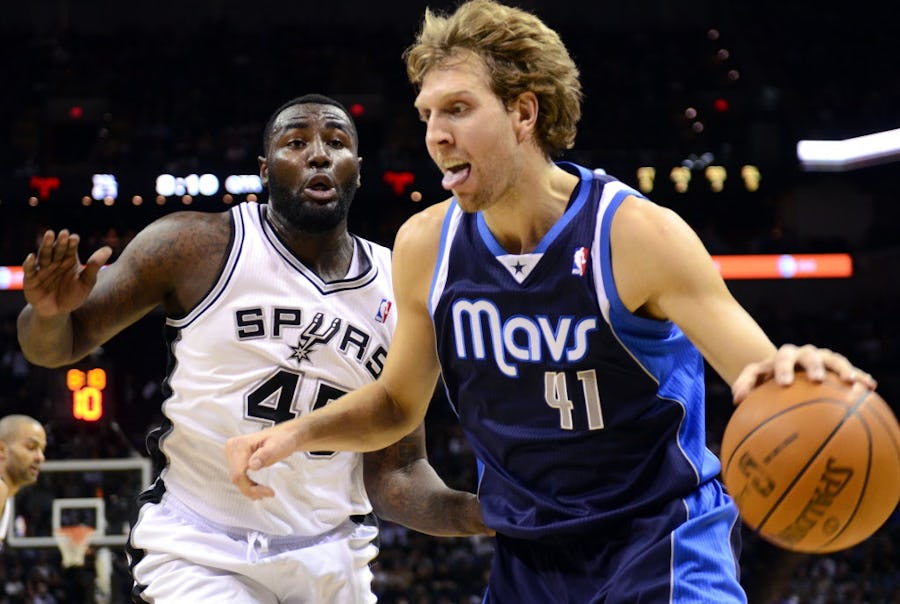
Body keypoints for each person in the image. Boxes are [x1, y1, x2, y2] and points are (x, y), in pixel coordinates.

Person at [224, 3, 882, 603]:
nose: (436, 135)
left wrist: (796, 369)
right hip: (530, 560)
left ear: (524, 112)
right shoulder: (425, 246)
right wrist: (294, 434)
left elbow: (760, 374)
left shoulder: (634, 235)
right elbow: (397, 405)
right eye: (427, 115)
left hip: (661, 542)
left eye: (458, 109)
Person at [17, 94, 489, 603]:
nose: (318, 154)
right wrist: (49, 314)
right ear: (265, 169)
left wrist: (477, 512)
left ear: (357, 169)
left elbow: (397, 473)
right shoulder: (193, 247)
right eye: (296, 143)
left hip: (332, 556)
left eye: (336, 142)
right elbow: (56, 347)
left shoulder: (398, 284)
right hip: (201, 546)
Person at [0, 414, 47, 546]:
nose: (40, 457)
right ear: (2, 450)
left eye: (42, 450)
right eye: (31, 447)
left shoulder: (6, 499)